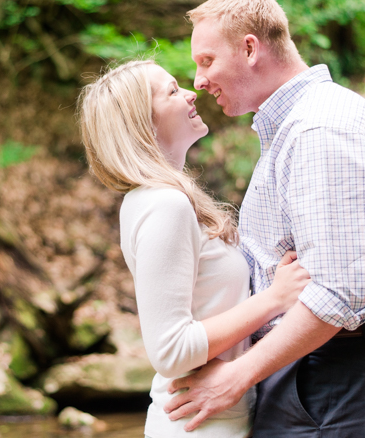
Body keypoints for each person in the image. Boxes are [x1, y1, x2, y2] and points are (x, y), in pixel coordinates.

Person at [163, 0, 365, 437]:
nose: (198, 81)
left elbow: (338, 291)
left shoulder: (320, 126)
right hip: (310, 374)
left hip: (326, 379)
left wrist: (237, 378)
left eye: (206, 61)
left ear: (250, 48)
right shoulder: (294, 128)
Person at [78, 59, 311, 437]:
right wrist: (275, 298)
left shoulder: (154, 200)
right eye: (172, 91)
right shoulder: (164, 205)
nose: (191, 93)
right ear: (144, 125)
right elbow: (170, 349)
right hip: (200, 425)